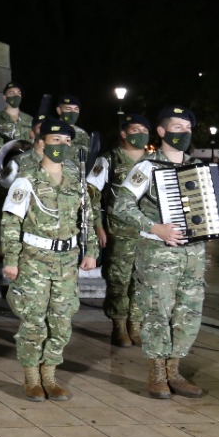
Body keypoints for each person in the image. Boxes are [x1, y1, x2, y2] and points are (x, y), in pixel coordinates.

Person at [111, 105, 219, 399]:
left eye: (187, 127)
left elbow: (216, 211)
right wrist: (154, 227)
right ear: (161, 131)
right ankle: (156, 373)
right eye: (177, 126)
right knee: (158, 311)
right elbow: (121, 206)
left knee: (188, 312)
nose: (183, 132)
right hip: (158, 254)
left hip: (193, 256)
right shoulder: (146, 166)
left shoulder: (201, 169)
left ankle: (175, 371)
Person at [0, 119, 98, 401]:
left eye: (67, 142)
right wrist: (11, 259)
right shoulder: (26, 179)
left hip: (66, 260)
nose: (62, 146)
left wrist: (90, 251)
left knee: (62, 320)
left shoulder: (76, 179)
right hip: (34, 259)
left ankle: (50, 376)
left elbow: (87, 218)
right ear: (41, 143)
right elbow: (10, 222)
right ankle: (31, 377)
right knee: (33, 320)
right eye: (56, 141)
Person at [87, 114, 153, 346]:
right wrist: (97, 226)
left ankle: (135, 324)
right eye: (136, 130)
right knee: (119, 281)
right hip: (119, 232)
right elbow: (91, 195)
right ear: (124, 134)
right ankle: (118, 326)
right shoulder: (109, 159)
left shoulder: (154, 161)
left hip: (148, 234)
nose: (141, 134)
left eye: (145, 129)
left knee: (142, 281)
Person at [56, 93, 91, 166]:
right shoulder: (50, 130)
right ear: (59, 110)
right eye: (68, 109)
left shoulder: (82, 134)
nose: (73, 113)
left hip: (75, 175)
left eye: (76, 109)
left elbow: (87, 159)